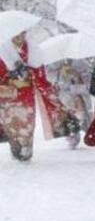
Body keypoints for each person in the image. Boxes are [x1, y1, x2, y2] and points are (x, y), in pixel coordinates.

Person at [0, 32, 80, 161]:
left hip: (26, 94)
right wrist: (10, 76)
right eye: (16, 34)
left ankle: (26, 147)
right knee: (12, 125)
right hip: (9, 96)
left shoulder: (33, 52)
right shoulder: (3, 50)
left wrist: (47, 90)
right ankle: (15, 146)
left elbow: (40, 77)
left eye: (22, 34)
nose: (19, 37)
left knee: (27, 123)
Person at [49, 58, 93, 149]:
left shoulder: (81, 61)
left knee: (80, 114)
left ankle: (79, 130)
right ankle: (71, 134)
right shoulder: (55, 61)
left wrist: (76, 74)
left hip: (78, 91)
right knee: (67, 114)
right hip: (64, 92)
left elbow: (89, 76)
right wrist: (59, 72)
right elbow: (49, 76)